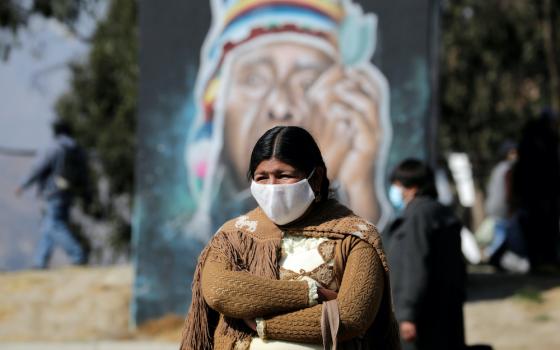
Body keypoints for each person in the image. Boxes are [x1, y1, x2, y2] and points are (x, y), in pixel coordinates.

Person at [184, 0, 393, 242]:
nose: (281, 106)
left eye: (306, 83)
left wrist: (358, 189)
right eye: (254, 80)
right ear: (218, 102)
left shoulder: (357, 211)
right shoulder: (189, 242)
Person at [181, 126, 400, 350]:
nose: (272, 187)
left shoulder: (355, 236)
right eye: (262, 177)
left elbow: (352, 315)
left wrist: (263, 324)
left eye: (284, 175)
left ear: (316, 178)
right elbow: (221, 290)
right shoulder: (233, 236)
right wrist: (312, 293)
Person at [384, 159, 466, 350]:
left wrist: (407, 315)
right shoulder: (439, 212)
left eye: (397, 185)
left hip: (423, 318)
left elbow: (414, 267)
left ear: (412, 187)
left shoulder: (417, 216)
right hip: (444, 311)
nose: (395, 191)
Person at [15, 120, 89, 269]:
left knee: (53, 225)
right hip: (69, 191)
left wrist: (22, 184)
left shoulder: (54, 147)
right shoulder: (76, 149)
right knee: (48, 227)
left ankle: (78, 255)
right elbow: (83, 173)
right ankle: (40, 262)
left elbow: (37, 168)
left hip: (53, 192)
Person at [512, 108, 560, 271]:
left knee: (536, 228)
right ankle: (545, 261)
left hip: (532, 193)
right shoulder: (546, 142)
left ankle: (539, 262)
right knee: (544, 227)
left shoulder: (528, 141)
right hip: (543, 193)